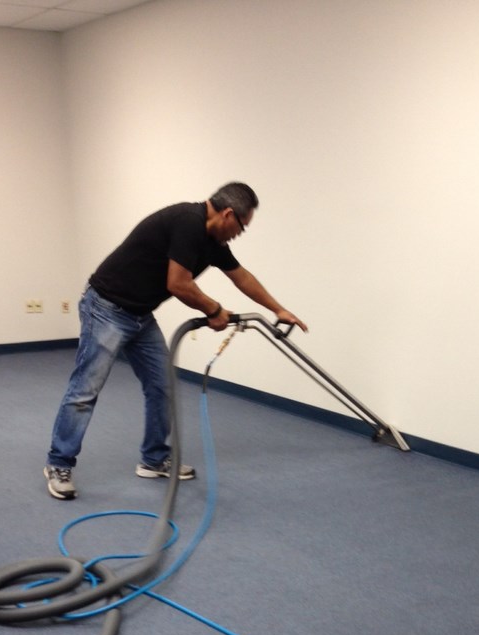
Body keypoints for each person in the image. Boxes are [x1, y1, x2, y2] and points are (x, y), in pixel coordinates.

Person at [43, 182, 307, 500]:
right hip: (106, 308)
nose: (240, 233)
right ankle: (58, 463)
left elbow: (242, 277)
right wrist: (215, 310)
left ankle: (154, 459)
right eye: (242, 226)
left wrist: (278, 309)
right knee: (85, 390)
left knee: (162, 386)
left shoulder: (214, 240)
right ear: (227, 214)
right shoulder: (188, 223)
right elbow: (178, 284)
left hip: (140, 315)